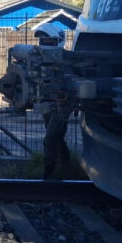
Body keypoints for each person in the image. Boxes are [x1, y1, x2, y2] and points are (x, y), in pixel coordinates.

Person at [34, 23, 73, 180]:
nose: (43, 43)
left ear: (58, 41)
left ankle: (48, 173)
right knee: (57, 136)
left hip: (62, 104)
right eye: (42, 40)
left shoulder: (68, 60)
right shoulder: (40, 59)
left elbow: (71, 83)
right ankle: (66, 165)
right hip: (47, 102)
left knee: (50, 138)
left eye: (48, 40)